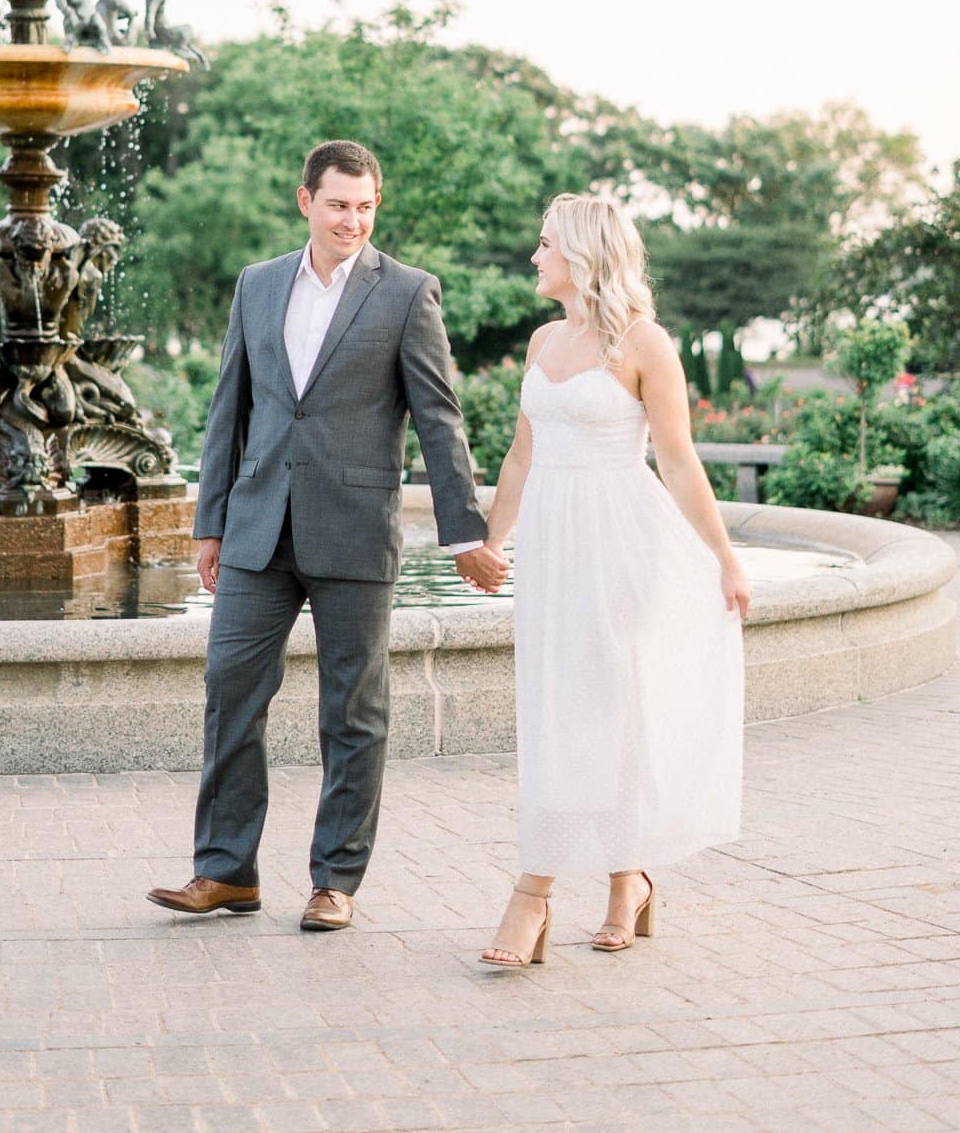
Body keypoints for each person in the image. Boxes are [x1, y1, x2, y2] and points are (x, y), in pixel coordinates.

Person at [147, 140, 507, 932]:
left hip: (354, 527)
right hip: (256, 527)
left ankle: (335, 879)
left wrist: (464, 534)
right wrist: (210, 521)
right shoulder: (258, 284)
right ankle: (224, 872)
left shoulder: (407, 294)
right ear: (304, 200)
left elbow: (439, 420)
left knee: (352, 712)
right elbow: (229, 410)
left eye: (366, 206)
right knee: (231, 693)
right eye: (339, 203)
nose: (353, 219)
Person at [479, 192, 750, 969]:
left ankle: (530, 897)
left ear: (582, 254)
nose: (534, 257)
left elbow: (677, 460)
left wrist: (726, 559)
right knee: (562, 708)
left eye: (544, 245)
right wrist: (491, 543)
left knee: (602, 711)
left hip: (621, 547)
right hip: (553, 553)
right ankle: (627, 878)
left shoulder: (644, 343)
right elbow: (522, 456)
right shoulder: (540, 341)